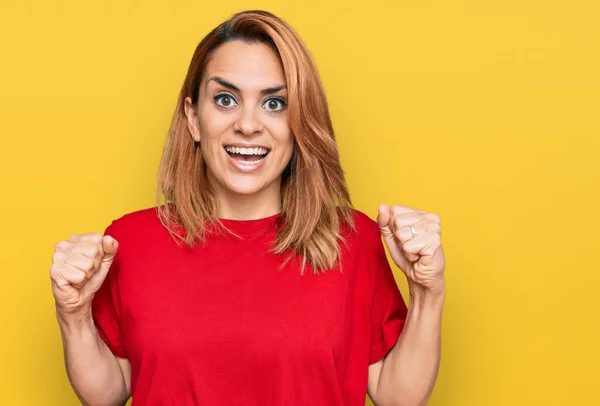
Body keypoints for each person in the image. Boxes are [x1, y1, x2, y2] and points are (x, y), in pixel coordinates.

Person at [49, 9, 446, 406]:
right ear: (193, 118)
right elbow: (109, 393)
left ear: (299, 122)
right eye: (225, 99)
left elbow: (398, 397)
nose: (249, 124)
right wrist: (74, 313)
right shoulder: (129, 242)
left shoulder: (353, 241)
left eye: (274, 103)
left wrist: (427, 292)